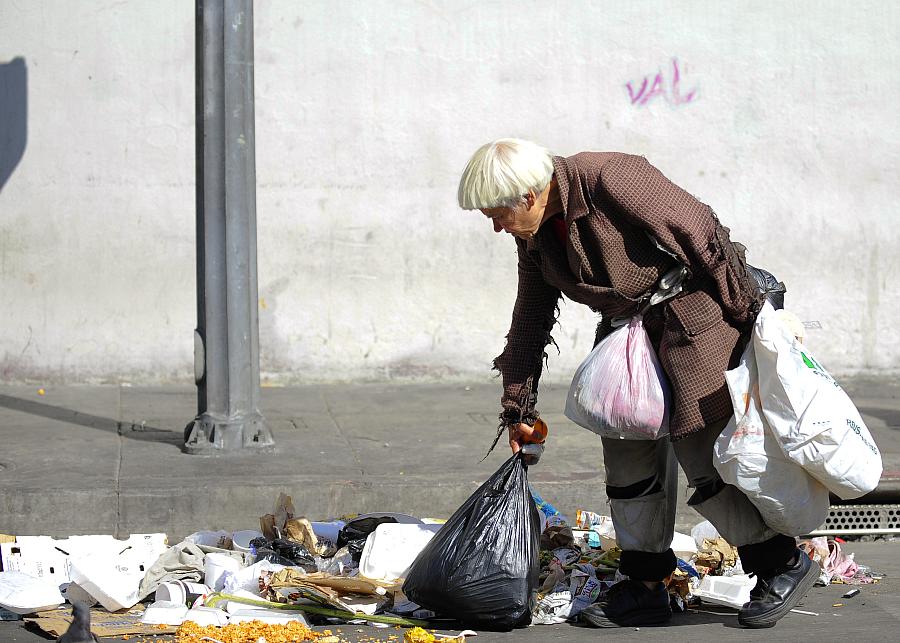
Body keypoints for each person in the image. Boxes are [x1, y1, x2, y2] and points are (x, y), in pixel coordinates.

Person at [456, 138, 820, 629]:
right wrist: (518, 407)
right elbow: (531, 315)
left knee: (704, 457)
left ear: (528, 195)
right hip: (627, 340)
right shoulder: (537, 234)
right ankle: (645, 585)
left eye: (497, 214)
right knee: (627, 460)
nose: (498, 227)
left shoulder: (610, 178)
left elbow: (703, 234)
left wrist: (751, 318)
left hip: (693, 327)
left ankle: (781, 563)